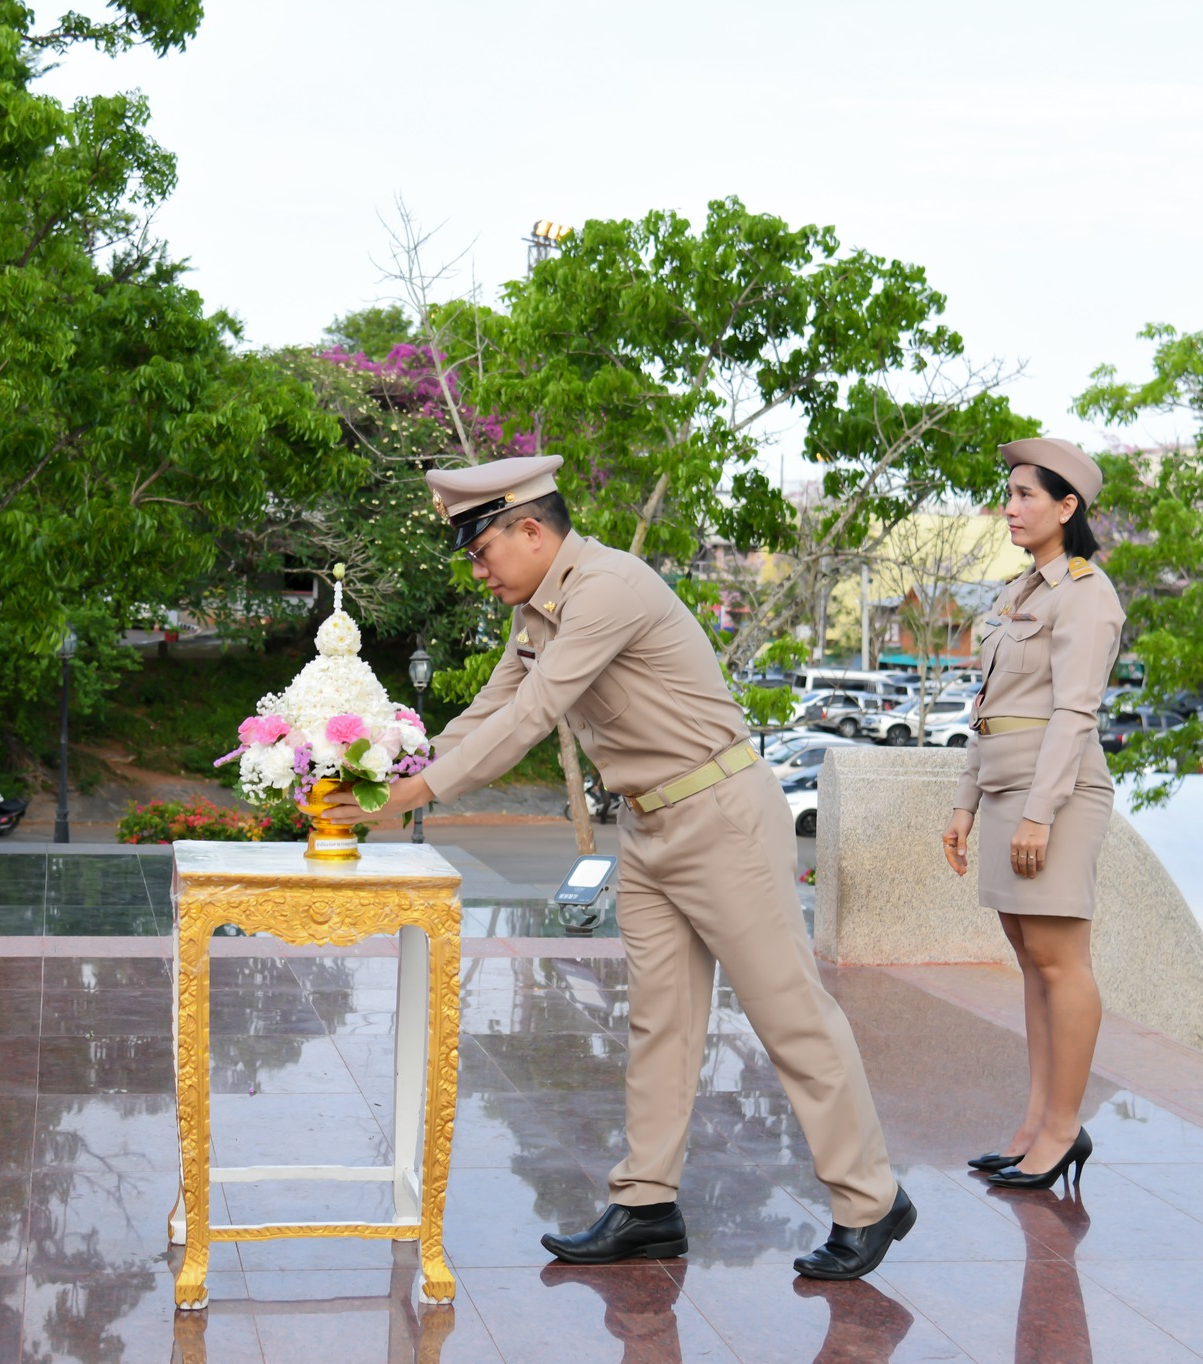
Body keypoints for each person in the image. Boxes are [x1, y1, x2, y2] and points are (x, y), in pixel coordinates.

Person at [321, 454, 915, 1279]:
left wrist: (417, 793)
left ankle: (871, 1200)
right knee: (659, 1021)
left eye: (482, 549)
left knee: (789, 1014)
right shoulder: (537, 610)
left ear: (532, 529)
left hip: (722, 818)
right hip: (650, 827)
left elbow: (535, 713)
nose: (478, 569)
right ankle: (646, 1204)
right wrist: (390, 776)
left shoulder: (607, 588)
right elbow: (489, 709)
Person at [940, 438, 1124, 1192]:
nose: (1011, 508)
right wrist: (964, 802)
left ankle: (1062, 1128)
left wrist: (1041, 813)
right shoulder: (1022, 594)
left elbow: (1075, 712)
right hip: (1009, 782)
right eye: (1008, 494)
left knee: (1061, 962)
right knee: (1031, 961)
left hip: (1058, 793)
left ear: (1066, 507)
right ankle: (1036, 1121)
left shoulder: (1086, 592)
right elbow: (990, 711)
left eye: (1026, 496)